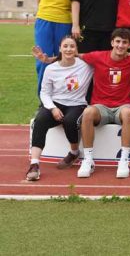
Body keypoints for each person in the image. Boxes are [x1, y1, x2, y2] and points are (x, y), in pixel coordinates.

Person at [76, 28, 130, 178]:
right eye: (118, 41)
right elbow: (75, 55)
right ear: (112, 42)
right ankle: (88, 159)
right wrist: (48, 59)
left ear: (129, 45)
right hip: (101, 106)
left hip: (122, 105)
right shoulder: (98, 56)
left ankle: (124, 159)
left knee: (128, 113)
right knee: (88, 112)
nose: (120, 45)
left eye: (124, 42)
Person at [26, 36, 93, 181]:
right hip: (56, 104)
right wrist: (52, 108)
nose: (69, 49)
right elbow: (44, 92)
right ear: (60, 49)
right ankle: (34, 164)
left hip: (77, 104)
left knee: (69, 121)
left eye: (72, 46)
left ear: (76, 49)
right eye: (65, 46)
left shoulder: (86, 66)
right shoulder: (51, 69)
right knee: (40, 120)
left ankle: (74, 152)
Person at [34, 0, 79, 95]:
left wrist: (75, 23)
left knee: (63, 59)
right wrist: (41, 12)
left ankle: (61, 97)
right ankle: (43, 99)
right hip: (44, 21)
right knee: (43, 60)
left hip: (65, 22)